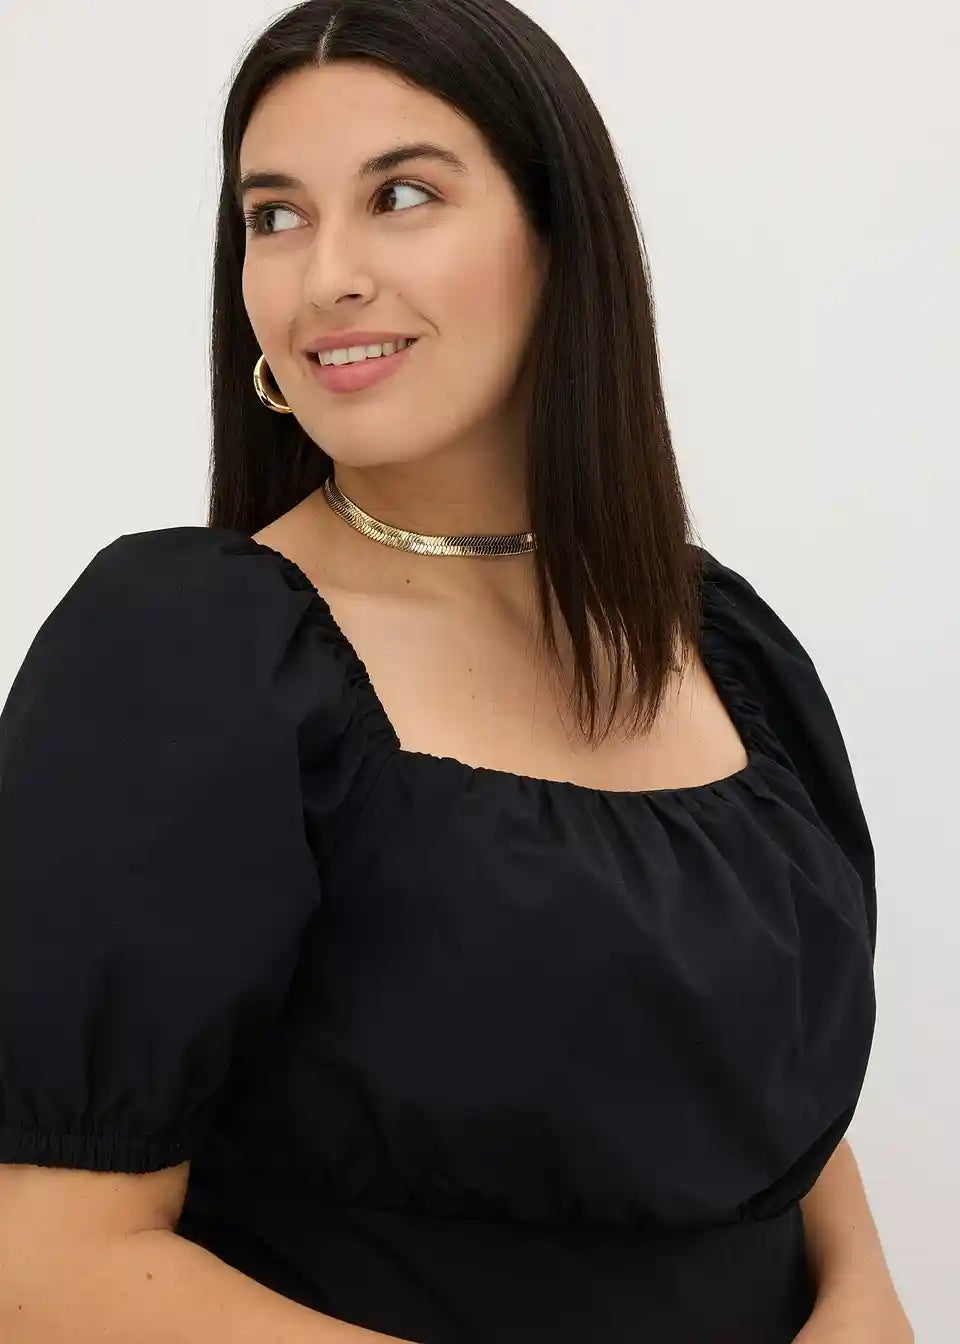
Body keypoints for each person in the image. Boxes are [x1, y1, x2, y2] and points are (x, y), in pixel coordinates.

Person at [0, 2, 906, 1342]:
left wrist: (866, 1303)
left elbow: (758, 1093)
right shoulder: (190, 651)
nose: (325, 278)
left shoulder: (723, 641)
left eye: (403, 196)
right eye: (275, 216)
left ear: (559, 239)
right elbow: (43, 1267)